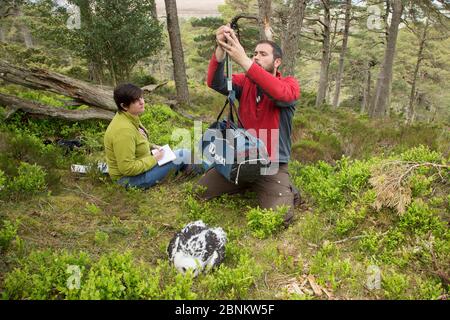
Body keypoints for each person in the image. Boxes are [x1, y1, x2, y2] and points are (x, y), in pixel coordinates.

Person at [196, 25, 301, 226]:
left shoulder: (289, 85)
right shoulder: (246, 82)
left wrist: (243, 60)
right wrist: (221, 48)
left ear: (277, 62)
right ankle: (247, 182)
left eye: (263, 54)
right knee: (200, 192)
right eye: (254, 54)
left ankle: (283, 186)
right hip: (241, 160)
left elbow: (280, 94)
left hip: (271, 164)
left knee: (279, 218)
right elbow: (215, 82)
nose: (256, 57)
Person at [104, 83, 196, 189]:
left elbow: (134, 143)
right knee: (184, 154)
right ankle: (204, 176)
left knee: (181, 154)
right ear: (124, 106)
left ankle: (196, 174)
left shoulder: (127, 118)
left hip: (139, 169)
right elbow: (127, 168)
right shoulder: (124, 130)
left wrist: (152, 146)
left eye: (141, 97)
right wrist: (155, 159)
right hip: (127, 180)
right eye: (135, 101)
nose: (142, 102)